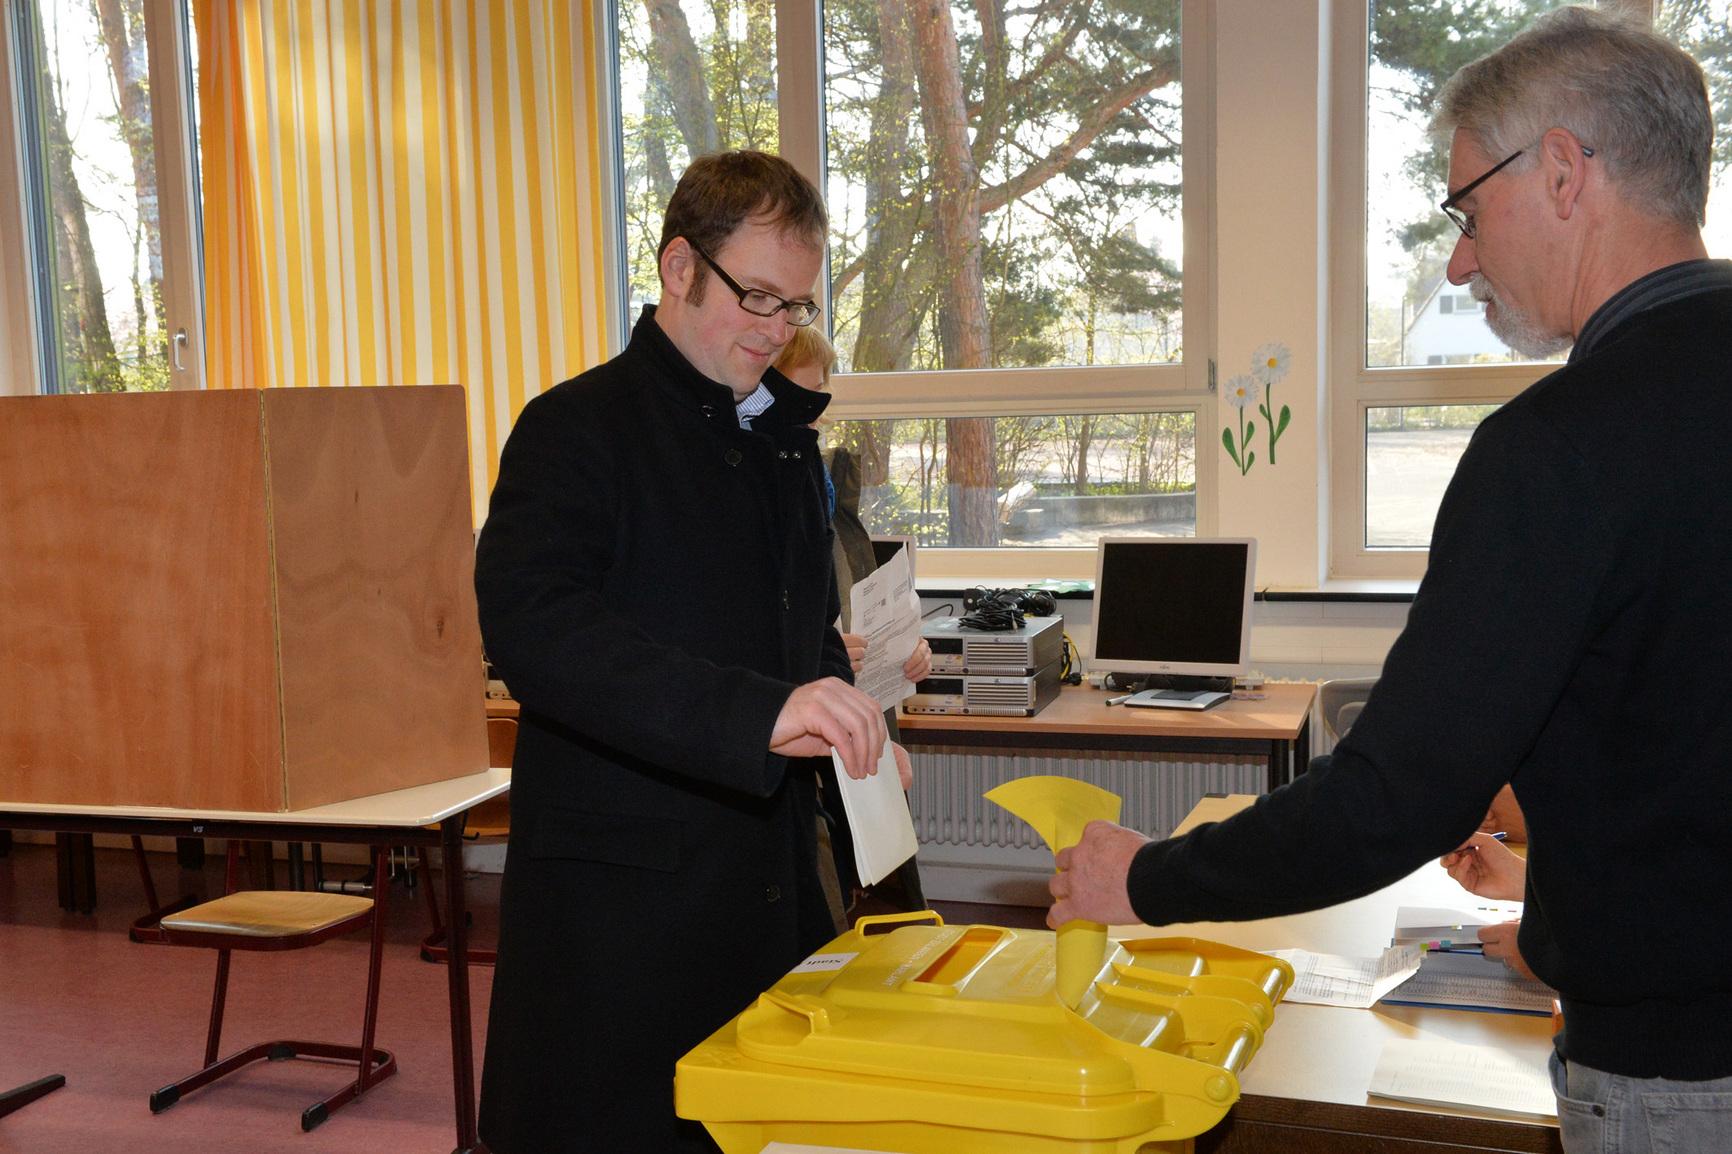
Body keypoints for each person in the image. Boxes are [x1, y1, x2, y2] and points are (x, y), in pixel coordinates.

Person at [1048, 9, 1732, 1148]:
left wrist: (1147, 878)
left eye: (1466, 210)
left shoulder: (1557, 447)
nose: (1461, 259)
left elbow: (1393, 796)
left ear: (1562, 172)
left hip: (1678, 1069)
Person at [474, 150, 912, 1154]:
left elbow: (802, 636)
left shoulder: (781, 447)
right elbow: (538, 634)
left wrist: (856, 725)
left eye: (795, 305)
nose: (775, 329)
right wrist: (759, 713)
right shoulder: (574, 428)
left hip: (764, 887)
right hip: (620, 912)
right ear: (679, 268)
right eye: (756, 295)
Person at [774, 328, 931, 924]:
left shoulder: (829, 501)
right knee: (827, 909)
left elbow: (861, 611)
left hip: (858, 734)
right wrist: (822, 654)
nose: (818, 409)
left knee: (870, 906)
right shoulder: (777, 495)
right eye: (805, 391)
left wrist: (909, 654)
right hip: (807, 748)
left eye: (823, 392)